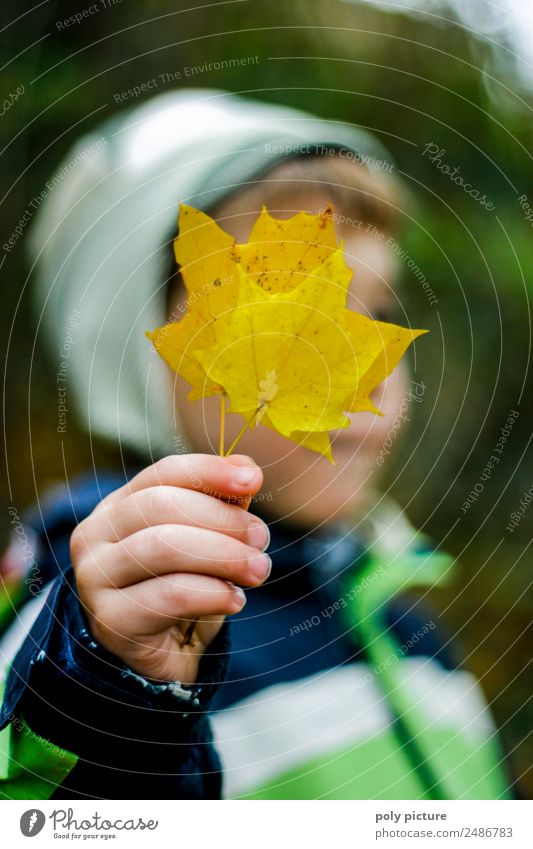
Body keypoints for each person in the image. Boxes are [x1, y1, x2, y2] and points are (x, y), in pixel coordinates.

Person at [0, 90, 514, 800]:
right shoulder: (104, 626)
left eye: (380, 314)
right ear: (155, 357)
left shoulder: (412, 630)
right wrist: (120, 696)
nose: (363, 376)